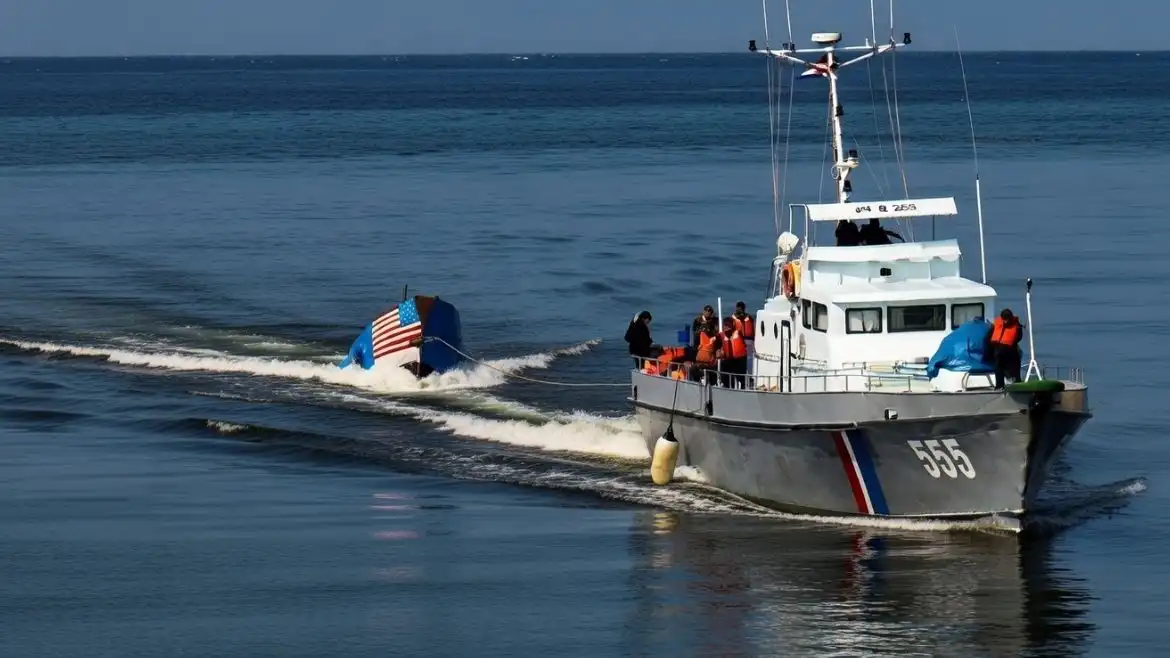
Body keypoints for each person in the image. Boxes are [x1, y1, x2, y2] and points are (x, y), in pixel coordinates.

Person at [988, 309, 1023, 389]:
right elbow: (988, 336)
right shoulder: (996, 324)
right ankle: (1000, 386)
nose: (1006, 321)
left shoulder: (1016, 325)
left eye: (1008, 319)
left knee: (1014, 367)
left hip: (1010, 348)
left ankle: (1017, 384)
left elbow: (1019, 337)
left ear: (1011, 318)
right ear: (1002, 318)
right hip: (998, 349)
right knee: (999, 368)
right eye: (1005, 319)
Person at [718, 316, 748, 389]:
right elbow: (717, 345)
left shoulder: (738, 332)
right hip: (728, 359)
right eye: (725, 325)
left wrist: (735, 318)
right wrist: (719, 351)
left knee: (741, 376)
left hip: (740, 359)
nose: (726, 327)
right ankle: (726, 386)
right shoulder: (721, 335)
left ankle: (743, 388)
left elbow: (740, 325)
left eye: (728, 325)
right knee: (724, 367)